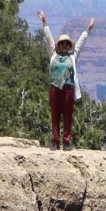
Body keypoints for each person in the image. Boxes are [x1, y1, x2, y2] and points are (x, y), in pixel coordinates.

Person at [36, 9, 95, 149]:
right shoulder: (53, 54)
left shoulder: (73, 56)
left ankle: (66, 141)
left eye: (66, 44)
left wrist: (88, 29)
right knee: (55, 115)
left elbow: (81, 42)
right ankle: (55, 141)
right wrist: (44, 22)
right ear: (59, 45)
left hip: (68, 88)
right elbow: (48, 38)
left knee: (67, 115)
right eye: (61, 43)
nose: (64, 45)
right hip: (55, 87)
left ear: (69, 46)